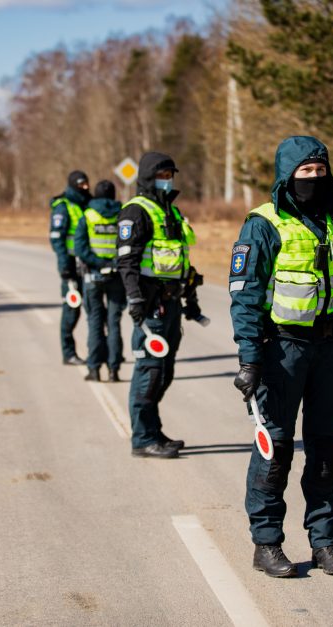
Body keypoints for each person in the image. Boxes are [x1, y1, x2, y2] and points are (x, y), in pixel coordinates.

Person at [229, 136, 333, 578]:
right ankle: (267, 543)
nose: (314, 177)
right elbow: (245, 296)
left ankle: (325, 542)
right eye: (305, 171)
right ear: (287, 175)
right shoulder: (262, 224)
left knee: (327, 448)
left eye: (320, 170)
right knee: (276, 450)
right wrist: (250, 360)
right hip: (282, 351)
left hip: (330, 350)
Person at [117, 151, 202, 459]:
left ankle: (153, 430)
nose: (167, 181)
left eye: (170, 175)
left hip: (172, 304)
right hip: (151, 306)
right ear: (147, 177)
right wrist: (135, 299)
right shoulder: (135, 212)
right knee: (149, 372)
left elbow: (181, 261)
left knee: (164, 373)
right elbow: (126, 261)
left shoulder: (171, 212)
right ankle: (142, 438)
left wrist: (191, 299)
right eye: (161, 176)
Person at [73, 180, 127, 382]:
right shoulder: (122, 214)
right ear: (113, 195)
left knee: (95, 322)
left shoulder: (88, 215)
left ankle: (94, 369)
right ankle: (114, 370)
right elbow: (127, 244)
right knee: (114, 323)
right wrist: (112, 262)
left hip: (93, 276)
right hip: (116, 276)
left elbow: (80, 248)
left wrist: (97, 262)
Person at [50, 170, 91, 366]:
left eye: (87, 183)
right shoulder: (62, 206)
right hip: (71, 268)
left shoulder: (89, 203)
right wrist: (65, 266)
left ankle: (98, 352)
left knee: (93, 309)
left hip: (89, 265)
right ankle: (68, 353)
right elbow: (57, 240)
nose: (85, 187)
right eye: (81, 184)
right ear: (73, 184)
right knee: (71, 310)